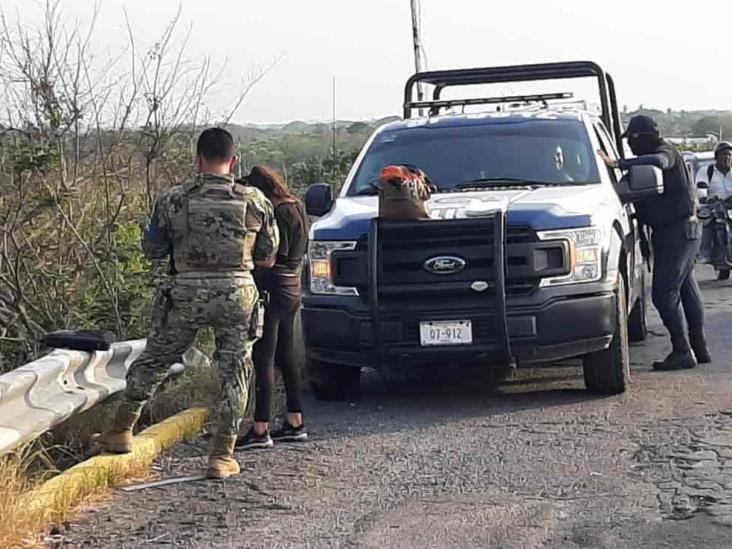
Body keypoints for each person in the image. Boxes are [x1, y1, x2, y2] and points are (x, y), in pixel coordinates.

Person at [100, 128, 279, 479]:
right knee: (236, 370)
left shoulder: (174, 199)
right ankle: (221, 456)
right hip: (237, 292)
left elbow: (152, 250)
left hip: (186, 292)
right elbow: (269, 256)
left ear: (198, 159)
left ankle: (121, 430)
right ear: (234, 160)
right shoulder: (255, 200)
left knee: (155, 360)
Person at [600, 114, 711, 370]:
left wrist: (619, 163)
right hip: (682, 231)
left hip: (677, 231)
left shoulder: (666, 151)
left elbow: (658, 161)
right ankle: (699, 347)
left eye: (633, 141)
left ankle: (683, 350)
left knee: (663, 294)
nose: (632, 146)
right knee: (686, 288)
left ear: (642, 138)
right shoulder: (664, 151)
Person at [235, 165, 310, 450]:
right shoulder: (297, 206)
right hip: (292, 285)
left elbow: (269, 254)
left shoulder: (274, 212)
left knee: (263, 356)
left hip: (272, 285)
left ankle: (260, 428)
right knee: (286, 355)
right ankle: (295, 421)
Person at [698, 141, 732, 262]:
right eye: (723, 154)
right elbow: (701, 187)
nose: (727, 157)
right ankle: (705, 252)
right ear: (716, 157)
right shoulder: (707, 171)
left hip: (731, 206)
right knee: (707, 221)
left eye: (729, 155)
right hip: (714, 205)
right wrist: (704, 197)